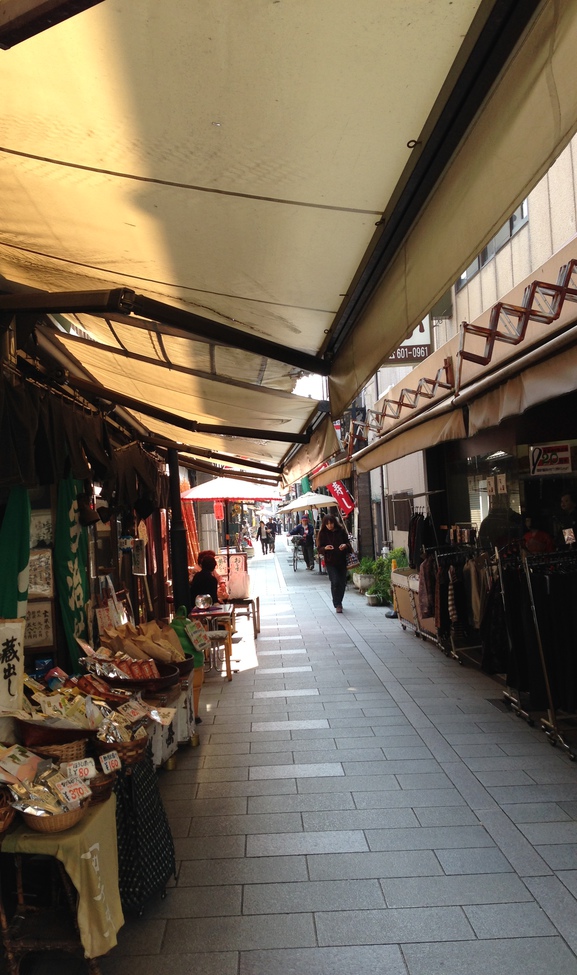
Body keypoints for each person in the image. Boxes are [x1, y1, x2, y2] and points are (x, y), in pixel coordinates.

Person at [316, 514, 351, 612]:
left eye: (331, 523)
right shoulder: (322, 533)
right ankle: (337, 604)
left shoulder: (341, 531)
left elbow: (348, 544)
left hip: (342, 560)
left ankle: (339, 601)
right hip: (330, 561)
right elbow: (319, 548)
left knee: (342, 583)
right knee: (335, 581)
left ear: (334, 523)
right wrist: (325, 548)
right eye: (327, 524)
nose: (329, 525)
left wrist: (345, 546)